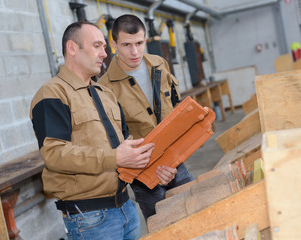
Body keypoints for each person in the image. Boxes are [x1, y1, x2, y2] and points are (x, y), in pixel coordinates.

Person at [30, 21, 176, 240]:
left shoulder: (104, 93)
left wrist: (154, 171)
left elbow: (127, 147)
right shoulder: (53, 93)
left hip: (126, 208)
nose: (104, 53)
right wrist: (115, 157)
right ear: (72, 48)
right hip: (90, 217)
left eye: (104, 48)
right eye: (97, 46)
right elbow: (54, 154)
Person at [98, 14, 194, 221]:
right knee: (164, 226)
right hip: (144, 175)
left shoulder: (159, 64)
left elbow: (176, 110)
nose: (135, 52)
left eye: (139, 43)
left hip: (176, 161)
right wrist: (153, 169)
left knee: (198, 214)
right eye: (126, 45)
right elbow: (116, 141)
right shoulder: (105, 88)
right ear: (114, 44)